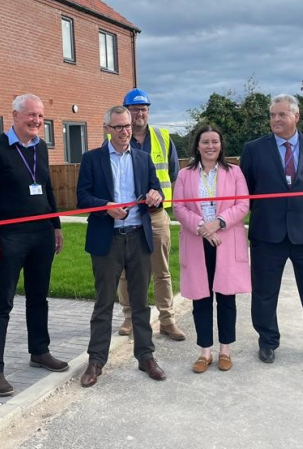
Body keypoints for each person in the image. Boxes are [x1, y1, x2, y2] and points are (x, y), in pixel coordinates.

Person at [0, 93, 68, 397]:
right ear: (14, 115)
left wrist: (55, 226)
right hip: (10, 236)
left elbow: (47, 189)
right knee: (2, 302)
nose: (36, 121)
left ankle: (39, 351)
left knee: (38, 297)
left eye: (41, 117)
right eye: (31, 115)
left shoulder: (40, 147)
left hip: (41, 234)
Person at [240, 94, 303, 366]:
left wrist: (301, 210)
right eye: (272, 115)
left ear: (296, 116)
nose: (276, 120)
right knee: (264, 292)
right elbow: (247, 189)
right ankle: (267, 341)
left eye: (282, 115)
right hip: (268, 233)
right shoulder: (253, 150)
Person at [77, 105, 167, 387]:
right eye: (118, 127)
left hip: (138, 238)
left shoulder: (142, 159)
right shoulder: (92, 159)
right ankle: (96, 361)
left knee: (141, 302)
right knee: (104, 303)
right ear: (107, 129)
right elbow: (82, 197)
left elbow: (158, 192)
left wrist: (156, 196)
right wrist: (106, 207)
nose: (125, 131)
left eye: (127, 126)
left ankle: (145, 356)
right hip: (108, 240)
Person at [173, 125, 251, 373]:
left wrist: (217, 224)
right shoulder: (185, 174)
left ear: (221, 145)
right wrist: (202, 228)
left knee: (226, 297)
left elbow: (243, 204)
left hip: (225, 240)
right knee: (201, 298)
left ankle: (225, 350)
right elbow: (179, 207)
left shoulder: (234, 172)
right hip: (198, 241)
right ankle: (205, 351)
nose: (210, 146)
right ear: (197, 145)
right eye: (205, 142)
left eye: (214, 141)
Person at [116, 88, 185, 340]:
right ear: (126, 112)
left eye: (143, 109)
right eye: (134, 110)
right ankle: (130, 318)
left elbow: (173, 174)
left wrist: (160, 196)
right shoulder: (115, 140)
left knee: (162, 270)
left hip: (156, 216)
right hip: (128, 217)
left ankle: (167, 320)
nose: (139, 114)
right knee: (127, 271)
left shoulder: (163, 137)